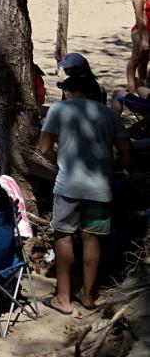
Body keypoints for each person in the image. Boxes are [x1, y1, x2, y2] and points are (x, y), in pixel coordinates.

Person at [39, 69, 131, 314]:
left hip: (69, 185)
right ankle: (88, 295)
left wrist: (59, 159)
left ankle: (63, 298)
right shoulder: (110, 115)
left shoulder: (60, 109)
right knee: (93, 239)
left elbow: (44, 146)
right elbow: (126, 152)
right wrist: (110, 166)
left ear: (69, 92)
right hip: (101, 187)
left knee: (64, 237)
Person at [125, 0, 150, 103]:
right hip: (140, 31)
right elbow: (139, 18)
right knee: (136, 59)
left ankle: (143, 86)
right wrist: (144, 37)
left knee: (145, 60)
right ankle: (132, 89)